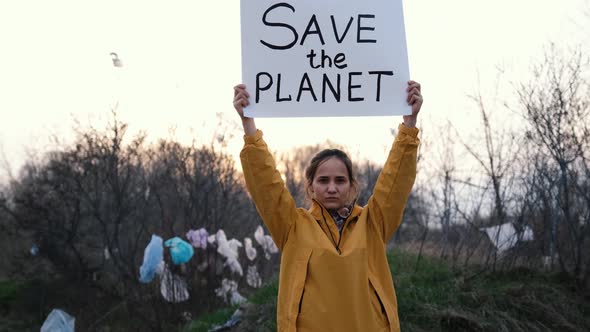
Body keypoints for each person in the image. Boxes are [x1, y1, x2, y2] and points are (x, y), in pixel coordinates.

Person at [233, 81, 422, 332]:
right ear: (310, 187)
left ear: (352, 186)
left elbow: (394, 182)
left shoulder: (373, 224)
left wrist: (409, 125)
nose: (331, 187)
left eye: (340, 180)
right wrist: (249, 125)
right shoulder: (293, 226)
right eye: (323, 180)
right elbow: (267, 186)